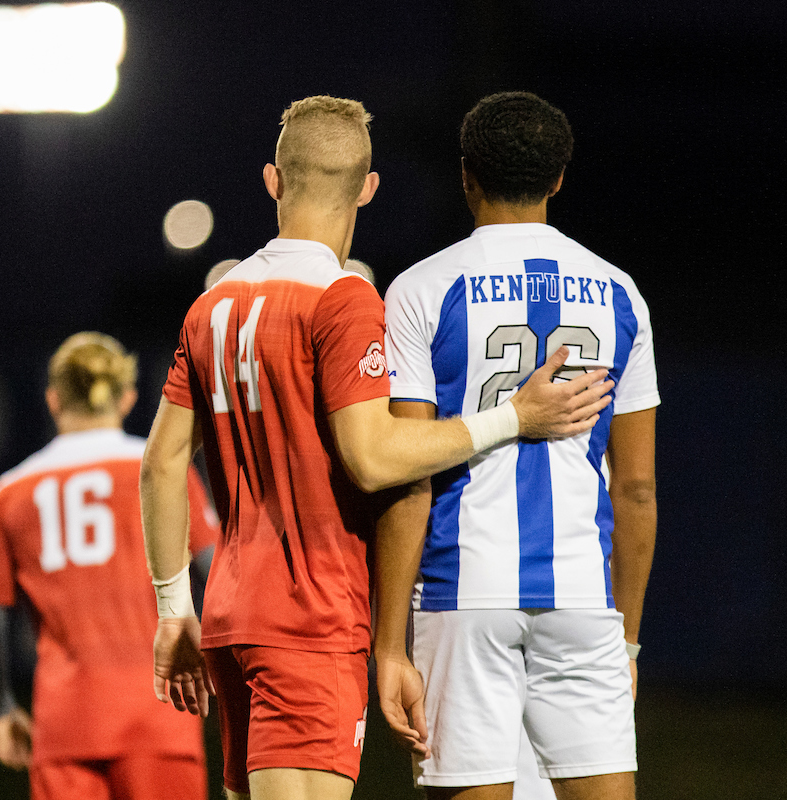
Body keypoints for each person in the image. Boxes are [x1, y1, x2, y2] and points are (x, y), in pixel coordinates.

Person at [141, 94, 615, 800]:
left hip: (230, 618)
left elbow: (160, 464)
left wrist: (172, 608)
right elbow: (373, 456)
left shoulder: (211, 304)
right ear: (367, 188)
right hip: (310, 618)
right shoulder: (344, 299)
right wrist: (513, 416)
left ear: (273, 179)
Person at [375, 91, 660, 800]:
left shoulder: (421, 289)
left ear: (466, 174)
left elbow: (408, 470)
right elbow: (637, 490)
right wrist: (625, 637)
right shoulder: (620, 292)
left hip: (461, 592)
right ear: (559, 178)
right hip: (582, 596)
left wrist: (387, 644)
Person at [0, 331, 220, 800]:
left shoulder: (11, 491)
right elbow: (219, 572)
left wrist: (0, 709)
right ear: (127, 398)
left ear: (53, 399)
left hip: (65, 724)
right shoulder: (160, 471)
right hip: (161, 716)